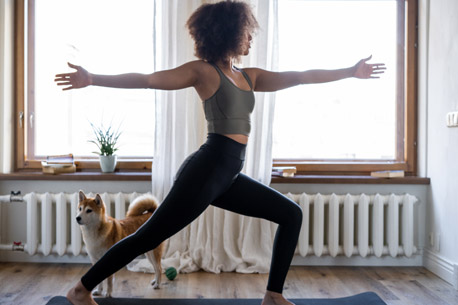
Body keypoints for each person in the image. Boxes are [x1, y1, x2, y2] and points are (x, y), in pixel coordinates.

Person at [55, 1, 385, 305]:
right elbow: (148, 80)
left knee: (291, 214)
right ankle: (80, 290)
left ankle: (273, 295)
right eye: (246, 33)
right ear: (228, 33)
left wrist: (349, 71)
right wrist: (93, 78)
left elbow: (299, 77)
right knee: (148, 237)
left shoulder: (247, 76)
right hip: (205, 171)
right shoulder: (203, 72)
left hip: (227, 175)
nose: (250, 40)